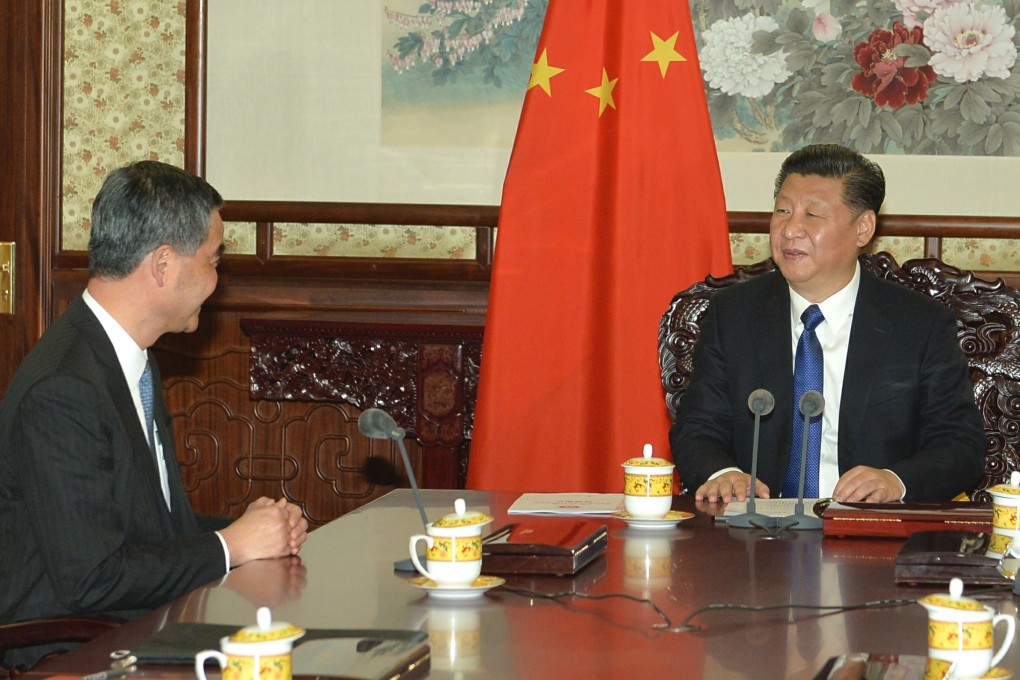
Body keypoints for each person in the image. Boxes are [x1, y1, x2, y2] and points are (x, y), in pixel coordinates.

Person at [0, 161, 308, 665]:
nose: (217, 279)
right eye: (213, 260)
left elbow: (157, 531)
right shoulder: (63, 389)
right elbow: (92, 579)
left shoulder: (127, 359)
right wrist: (230, 545)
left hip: (138, 628)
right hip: (73, 653)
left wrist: (256, 529)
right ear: (163, 265)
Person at [670, 144, 985, 504]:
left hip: (873, 536)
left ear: (863, 228)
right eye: (782, 211)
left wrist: (895, 480)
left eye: (812, 215)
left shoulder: (920, 325)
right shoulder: (733, 315)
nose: (790, 230)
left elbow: (960, 445)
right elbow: (697, 428)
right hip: (757, 534)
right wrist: (722, 474)